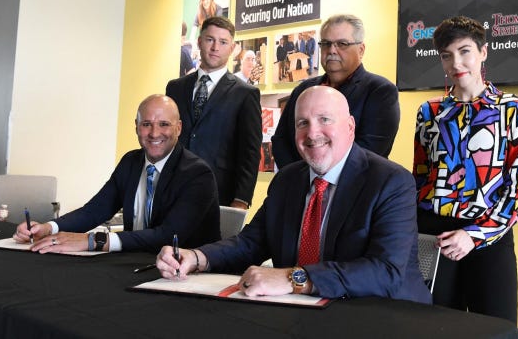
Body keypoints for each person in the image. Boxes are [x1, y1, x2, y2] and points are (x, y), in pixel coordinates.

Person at [156, 86, 431, 304]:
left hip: (383, 315)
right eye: (302, 123)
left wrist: (294, 279)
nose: (312, 133)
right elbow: (251, 242)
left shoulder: (391, 181)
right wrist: (196, 257)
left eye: (324, 120)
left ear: (350, 126)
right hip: (306, 313)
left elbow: (385, 272)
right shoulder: (287, 180)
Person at [413, 16, 518, 323]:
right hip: (434, 236)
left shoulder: (510, 109)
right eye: (446, 55)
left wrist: (474, 235)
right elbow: (420, 178)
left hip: (490, 237)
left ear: (483, 52)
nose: (457, 62)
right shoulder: (429, 112)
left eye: (465, 51)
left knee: (496, 327)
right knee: (433, 327)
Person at [13, 94, 220, 253]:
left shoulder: (197, 174)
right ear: (137, 127)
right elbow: (94, 211)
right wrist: (49, 228)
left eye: (164, 124)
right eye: (146, 124)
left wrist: (96, 241)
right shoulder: (131, 161)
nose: (155, 133)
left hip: (186, 276)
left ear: (179, 128)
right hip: (132, 263)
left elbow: (168, 235)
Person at [271, 14, 400, 169]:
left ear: (361, 50)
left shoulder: (380, 91)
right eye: (326, 43)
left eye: (342, 43)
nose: (332, 50)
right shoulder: (303, 90)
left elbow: (369, 151)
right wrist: (304, 180)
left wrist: (319, 178)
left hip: (355, 189)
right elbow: (281, 140)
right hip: (299, 189)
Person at [166, 16, 261, 209]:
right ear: (199, 41)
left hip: (219, 195)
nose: (215, 47)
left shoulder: (245, 93)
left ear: (233, 48)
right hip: (173, 192)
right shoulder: (175, 88)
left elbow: (250, 152)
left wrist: (241, 200)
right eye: (210, 39)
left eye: (223, 42)